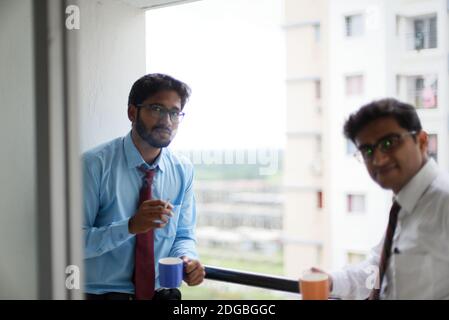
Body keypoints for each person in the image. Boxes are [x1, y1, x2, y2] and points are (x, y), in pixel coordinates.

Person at [83, 73, 205, 300]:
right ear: (132, 112)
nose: (167, 121)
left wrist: (187, 259)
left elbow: (183, 235)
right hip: (103, 296)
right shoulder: (93, 165)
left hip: (163, 295)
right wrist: (130, 226)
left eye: (174, 112)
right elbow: (71, 242)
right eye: (157, 109)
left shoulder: (183, 170)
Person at [312, 98, 449, 299]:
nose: (378, 159)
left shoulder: (443, 203)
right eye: (367, 150)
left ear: (421, 141)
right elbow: (380, 270)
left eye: (389, 143)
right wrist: (333, 281)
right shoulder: (404, 203)